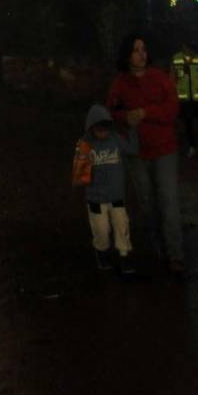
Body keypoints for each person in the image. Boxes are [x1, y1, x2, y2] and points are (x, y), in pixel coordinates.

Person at [105, 33, 185, 275]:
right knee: (148, 203)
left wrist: (145, 112)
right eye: (136, 50)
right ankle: (158, 247)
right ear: (127, 55)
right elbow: (111, 111)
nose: (142, 54)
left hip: (163, 149)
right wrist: (123, 117)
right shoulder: (120, 83)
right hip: (137, 152)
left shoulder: (159, 78)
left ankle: (175, 254)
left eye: (144, 49)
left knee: (168, 201)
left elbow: (172, 108)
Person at [76, 104, 139, 274]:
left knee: (121, 225)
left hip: (116, 195)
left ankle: (124, 255)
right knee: (100, 229)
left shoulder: (116, 139)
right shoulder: (85, 144)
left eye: (105, 128)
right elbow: (79, 175)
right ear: (92, 127)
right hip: (95, 197)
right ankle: (102, 252)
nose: (103, 132)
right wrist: (82, 166)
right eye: (99, 128)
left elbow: (132, 149)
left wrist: (133, 131)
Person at [172, 41, 198, 158]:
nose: (189, 51)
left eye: (191, 49)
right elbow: (172, 78)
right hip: (184, 99)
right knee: (188, 124)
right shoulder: (176, 59)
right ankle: (192, 147)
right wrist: (172, 94)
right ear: (184, 47)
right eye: (187, 48)